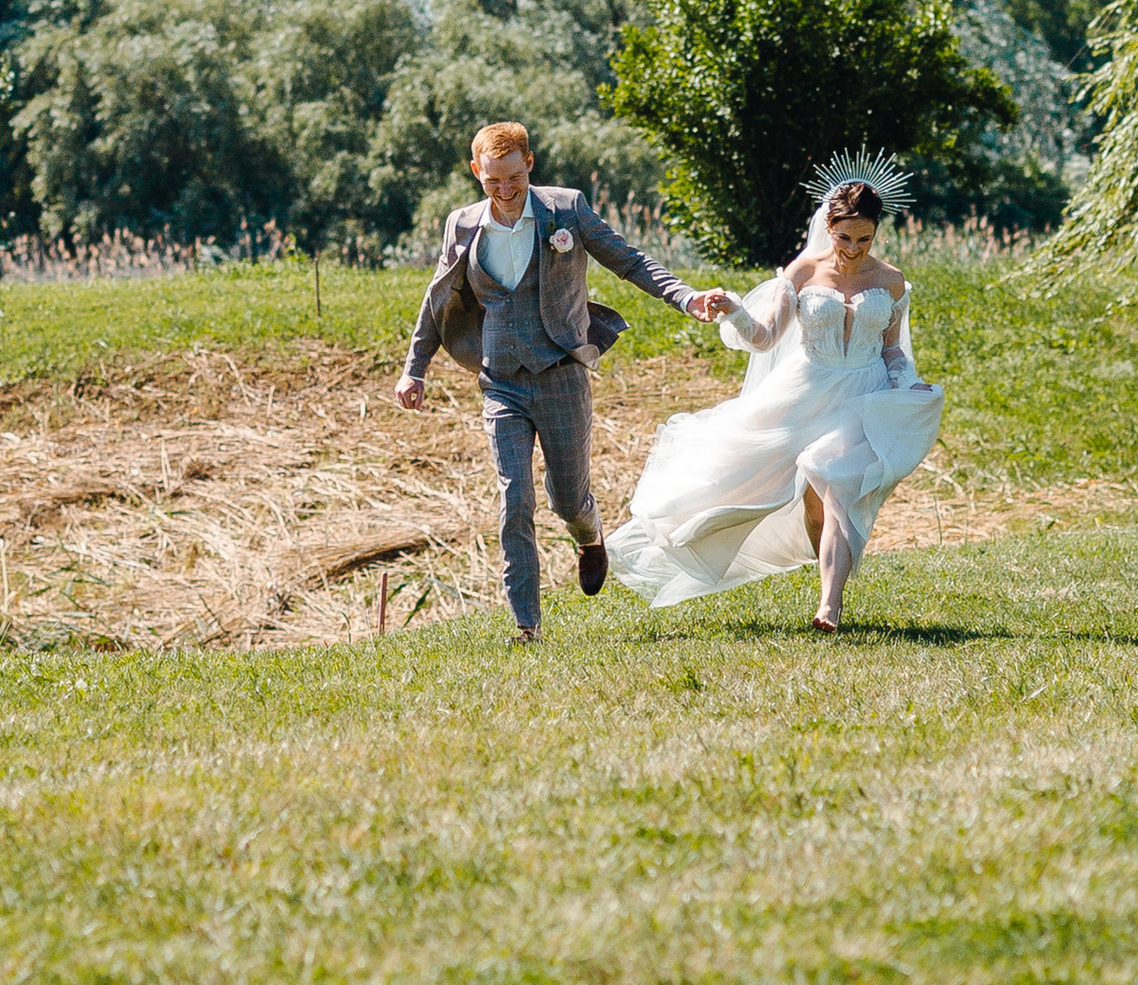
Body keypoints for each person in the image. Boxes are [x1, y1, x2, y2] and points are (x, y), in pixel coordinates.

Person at [397, 121, 731, 643]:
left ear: (529, 164)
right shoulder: (461, 224)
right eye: (492, 180)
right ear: (476, 172)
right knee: (514, 499)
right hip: (501, 381)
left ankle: (589, 536)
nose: (505, 190)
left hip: (562, 376)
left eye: (514, 177)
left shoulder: (566, 210)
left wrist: (685, 297)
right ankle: (526, 625)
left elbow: (629, 261)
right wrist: (414, 367)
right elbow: (437, 296)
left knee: (567, 499)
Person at [605, 155, 943, 631]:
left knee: (832, 479)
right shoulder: (802, 271)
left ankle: (830, 605)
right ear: (829, 228)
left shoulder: (890, 281)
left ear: (876, 234)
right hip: (805, 390)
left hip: (861, 395)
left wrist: (909, 384)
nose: (853, 250)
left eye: (864, 239)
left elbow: (891, 351)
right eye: (845, 238)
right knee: (804, 503)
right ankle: (806, 564)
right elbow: (765, 338)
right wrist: (734, 310)